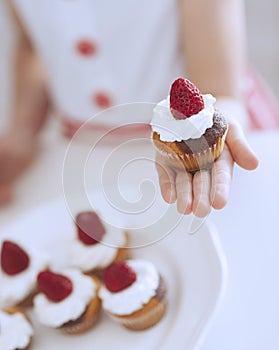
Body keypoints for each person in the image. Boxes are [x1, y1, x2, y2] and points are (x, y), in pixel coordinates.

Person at [0, 0, 258, 216]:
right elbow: (32, 44)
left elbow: (219, 89)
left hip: (181, 145)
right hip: (81, 148)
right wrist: (24, 129)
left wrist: (215, 123)